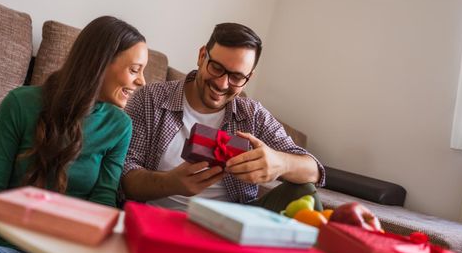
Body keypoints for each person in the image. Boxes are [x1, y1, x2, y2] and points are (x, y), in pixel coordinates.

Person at [0, 16, 164, 253]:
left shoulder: (119, 125)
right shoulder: (20, 104)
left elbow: (103, 200)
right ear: (101, 64)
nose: (142, 81)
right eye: (135, 70)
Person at [121, 22, 325, 212]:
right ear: (202, 56)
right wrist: (170, 183)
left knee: (304, 191)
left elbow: (315, 170)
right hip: (159, 217)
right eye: (216, 68)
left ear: (248, 78)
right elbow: (124, 174)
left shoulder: (252, 114)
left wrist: (281, 163)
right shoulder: (150, 99)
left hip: (232, 227)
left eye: (236, 77)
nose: (222, 84)